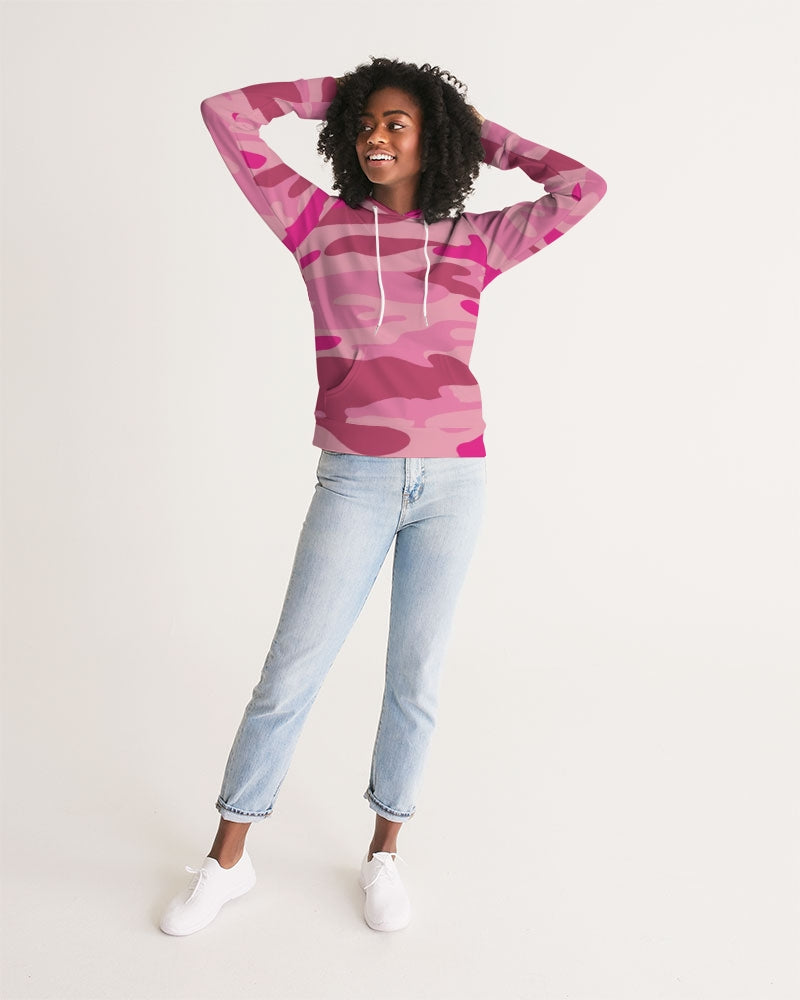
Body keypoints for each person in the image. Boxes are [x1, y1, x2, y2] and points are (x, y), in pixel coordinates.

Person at [159, 56, 607, 937]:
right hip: (355, 481)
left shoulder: (475, 239)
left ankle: (384, 854)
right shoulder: (314, 224)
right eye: (363, 125)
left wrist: (469, 129)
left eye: (397, 125)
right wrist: (344, 95)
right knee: (291, 673)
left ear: (432, 139)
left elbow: (581, 187)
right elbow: (224, 112)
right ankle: (228, 861)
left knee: (416, 676)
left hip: (455, 481)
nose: (374, 137)